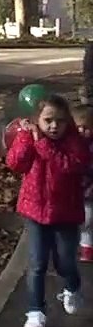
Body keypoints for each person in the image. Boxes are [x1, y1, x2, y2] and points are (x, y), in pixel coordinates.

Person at [6, 93, 90, 327]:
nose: (54, 126)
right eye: (48, 120)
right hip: (35, 211)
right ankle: (35, 311)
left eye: (60, 121)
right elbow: (16, 164)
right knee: (37, 264)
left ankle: (72, 286)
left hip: (66, 214)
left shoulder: (74, 142)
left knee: (65, 261)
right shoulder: (30, 137)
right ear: (37, 120)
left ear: (68, 123)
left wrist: (41, 143)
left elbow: (69, 166)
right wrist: (24, 138)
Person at [75, 104, 93, 263]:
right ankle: (85, 249)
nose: (81, 131)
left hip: (88, 192)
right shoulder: (74, 145)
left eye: (86, 127)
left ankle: (86, 250)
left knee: (86, 223)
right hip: (77, 192)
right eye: (78, 127)